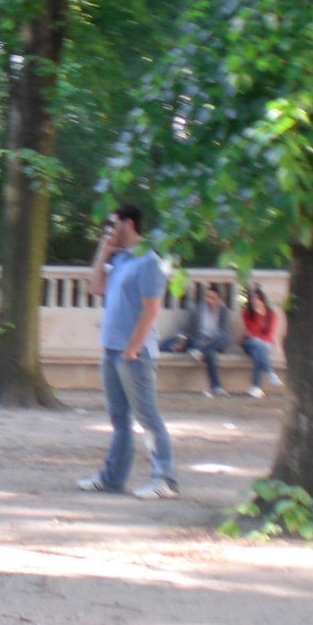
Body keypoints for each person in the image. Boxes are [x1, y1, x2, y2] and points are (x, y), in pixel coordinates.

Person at [80, 203, 179, 499]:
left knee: (147, 417)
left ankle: (165, 480)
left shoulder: (149, 262)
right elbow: (95, 287)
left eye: (113, 224)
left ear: (129, 223)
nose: (108, 230)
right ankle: (112, 478)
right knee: (119, 420)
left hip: (134, 355)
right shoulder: (121, 259)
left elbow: (151, 311)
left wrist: (132, 350)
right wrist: (103, 251)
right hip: (111, 350)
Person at [159, 281, 231, 398]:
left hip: (213, 342)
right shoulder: (198, 310)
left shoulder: (222, 311)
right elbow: (186, 329)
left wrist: (208, 343)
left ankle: (200, 351)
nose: (209, 300)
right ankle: (216, 387)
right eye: (207, 296)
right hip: (198, 341)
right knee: (210, 354)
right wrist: (181, 341)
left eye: (212, 297)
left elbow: (222, 331)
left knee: (226, 337)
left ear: (218, 299)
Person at [240, 283, 281, 399]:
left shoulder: (271, 314)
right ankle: (270, 372)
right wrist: (257, 314)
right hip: (249, 343)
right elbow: (251, 332)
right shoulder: (247, 314)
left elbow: (269, 333)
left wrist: (260, 340)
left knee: (258, 355)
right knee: (256, 343)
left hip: (265, 344)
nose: (255, 303)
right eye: (253, 301)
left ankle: (256, 388)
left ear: (263, 300)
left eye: (257, 300)